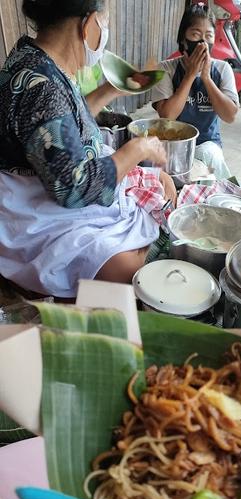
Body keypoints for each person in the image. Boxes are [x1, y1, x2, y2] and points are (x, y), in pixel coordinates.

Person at [0, 0, 177, 299]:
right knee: (126, 267)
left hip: (46, 189)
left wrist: (111, 89)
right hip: (34, 209)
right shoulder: (41, 85)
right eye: (104, 22)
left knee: (161, 184)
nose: (104, 30)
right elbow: (73, 188)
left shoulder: (33, 58)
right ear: (88, 23)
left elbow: (64, 121)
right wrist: (137, 149)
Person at [151, 4, 239, 181]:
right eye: (195, 34)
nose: (202, 42)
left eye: (208, 36)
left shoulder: (222, 69)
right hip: (173, 145)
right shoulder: (166, 68)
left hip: (207, 144)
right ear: (183, 39)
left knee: (209, 156)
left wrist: (206, 78)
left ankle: (222, 193)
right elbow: (167, 116)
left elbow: (230, 116)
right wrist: (190, 75)